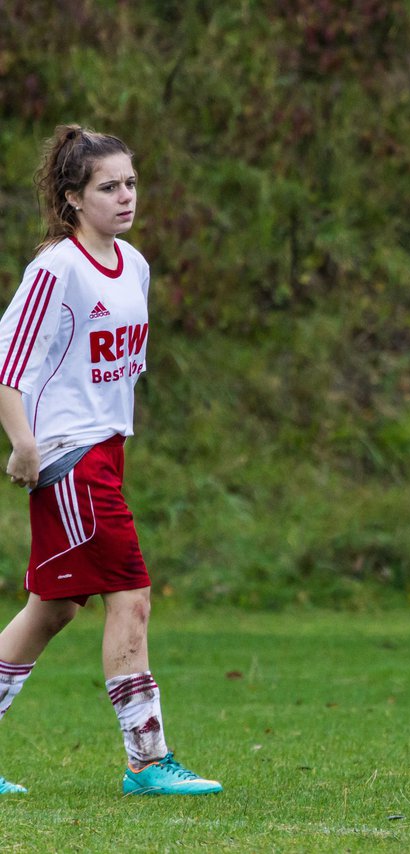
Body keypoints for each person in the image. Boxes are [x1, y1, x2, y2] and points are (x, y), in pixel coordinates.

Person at [0, 125, 221, 797]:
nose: (125, 197)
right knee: (132, 597)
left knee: (54, 609)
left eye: (130, 183)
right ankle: (147, 760)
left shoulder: (136, 264)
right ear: (72, 199)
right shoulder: (56, 268)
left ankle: (147, 761)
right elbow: (9, 365)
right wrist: (24, 441)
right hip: (69, 459)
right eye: (108, 187)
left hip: (105, 451)